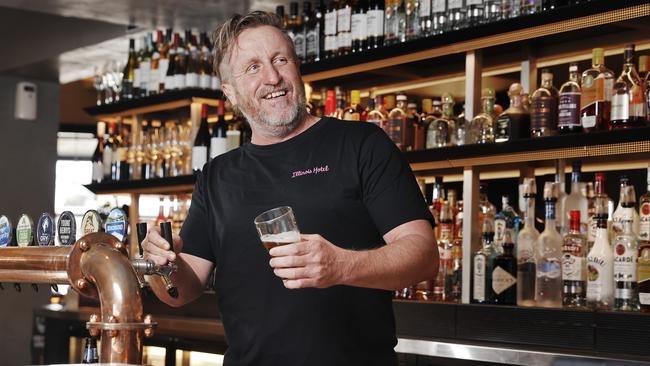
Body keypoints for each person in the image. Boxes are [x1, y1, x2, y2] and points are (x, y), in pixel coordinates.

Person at [142, 11, 438, 366]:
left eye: (280, 59)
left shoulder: (362, 145)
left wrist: (341, 265)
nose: (272, 77)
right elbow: (182, 289)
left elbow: (423, 256)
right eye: (252, 67)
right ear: (230, 94)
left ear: (298, 68)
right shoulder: (216, 176)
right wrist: (161, 265)